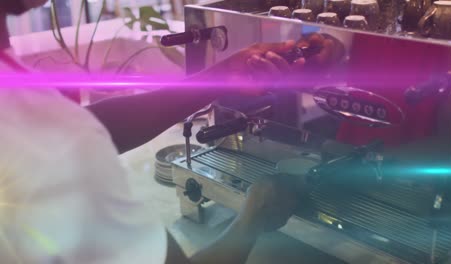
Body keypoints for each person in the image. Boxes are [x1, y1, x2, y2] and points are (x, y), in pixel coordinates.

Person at [0, 1, 348, 263]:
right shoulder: (36, 139)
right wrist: (254, 217)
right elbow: (58, 139)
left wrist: (219, 78)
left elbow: (78, 127)